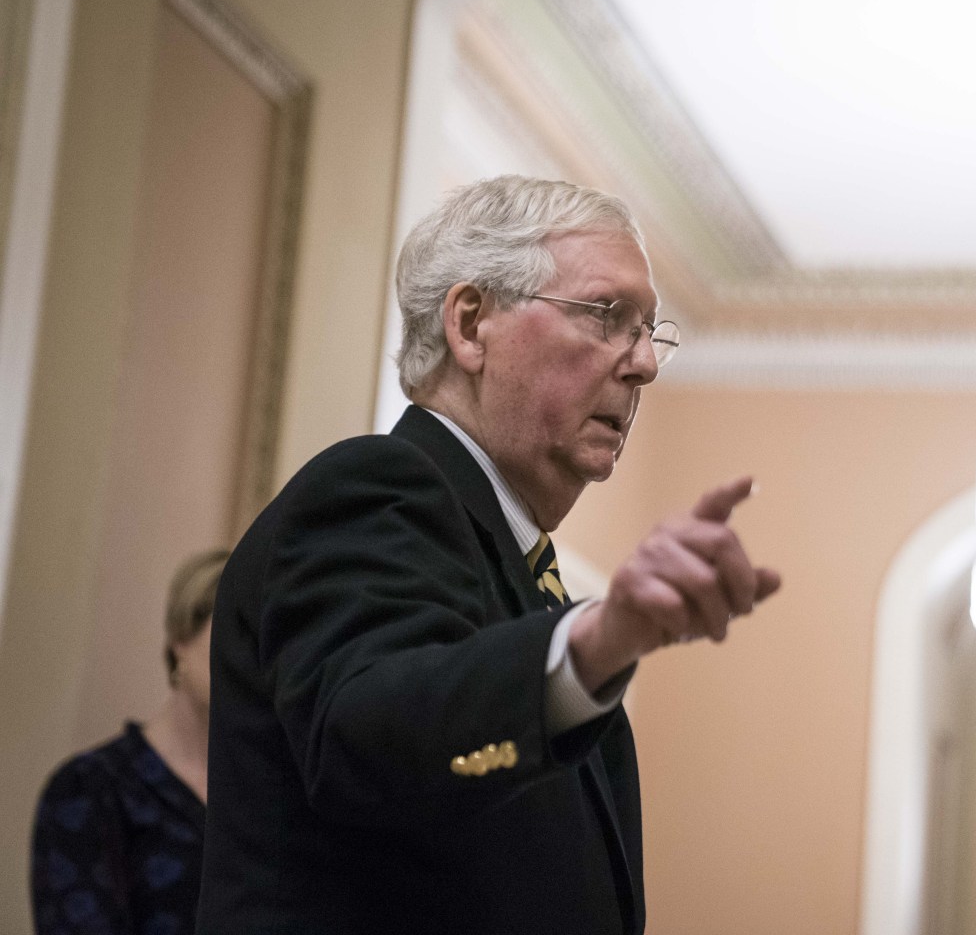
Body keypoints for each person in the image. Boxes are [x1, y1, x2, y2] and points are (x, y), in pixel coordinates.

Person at [196, 175, 781, 935]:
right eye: (609, 316)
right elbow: (367, 736)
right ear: (471, 325)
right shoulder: (376, 486)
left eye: (650, 332)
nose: (645, 364)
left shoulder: (527, 578)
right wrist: (600, 640)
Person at [31, 548, 229, 935]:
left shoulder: (270, 792)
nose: (247, 659)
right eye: (230, 633)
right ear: (180, 640)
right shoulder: (91, 788)